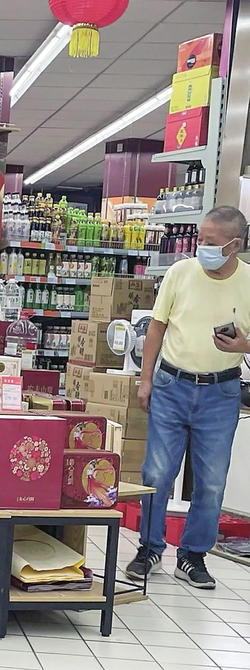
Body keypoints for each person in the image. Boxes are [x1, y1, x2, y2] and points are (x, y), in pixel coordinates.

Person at [125, 206, 250, 589]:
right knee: (157, 473)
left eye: (210, 242)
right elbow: (156, 328)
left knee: (211, 481)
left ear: (235, 245)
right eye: (199, 238)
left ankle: (193, 556)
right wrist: (145, 380)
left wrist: (242, 345)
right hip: (171, 385)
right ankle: (149, 548)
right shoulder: (180, 273)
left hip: (221, 392)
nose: (201, 247)